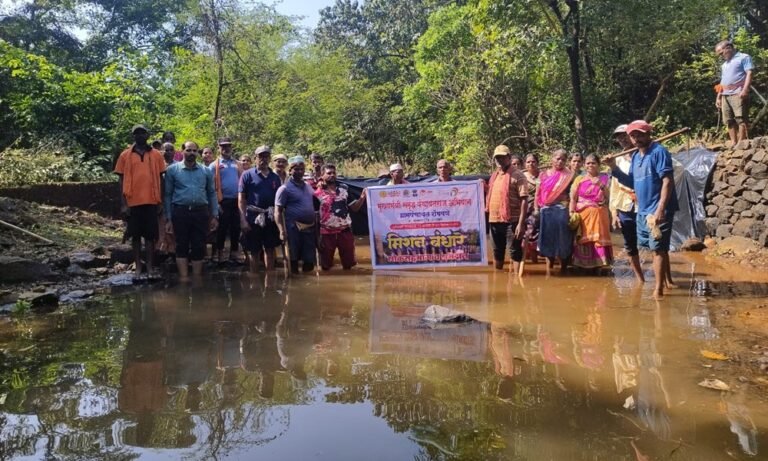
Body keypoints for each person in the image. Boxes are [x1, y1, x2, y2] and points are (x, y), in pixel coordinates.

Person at [608, 120, 678, 298]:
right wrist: (614, 168)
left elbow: (667, 181)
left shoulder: (659, 152)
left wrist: (661, 209)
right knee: (652, 247)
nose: (636, 138)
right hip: (643, 209)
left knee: (657, 249)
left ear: (648, 134)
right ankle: (664, 284)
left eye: (640, 134)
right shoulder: (636, 157)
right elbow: (631, 182)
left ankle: (658, 290)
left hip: (658, 209)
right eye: (633, 135)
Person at [114, 124, 167, 280]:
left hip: (151, 201)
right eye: (136, 133)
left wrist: (161, 201)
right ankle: (138, 267)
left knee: (150, 237)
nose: (140, 136)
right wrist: (124, 204)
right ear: (133, 137)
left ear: (147, 135)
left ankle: (150, 268)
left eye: (142, 133)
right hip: (132, 202)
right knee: (135, 237)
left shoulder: (156, 155)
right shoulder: (125, 155)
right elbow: (121, 180)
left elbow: (161, 178)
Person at [163, 141, 218, 279]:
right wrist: (168, 219)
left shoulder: (205, 171)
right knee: (181, 244)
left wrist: (215, 215)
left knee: (199, 245)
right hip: (180, 212)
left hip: (200, 212)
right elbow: (168, 195)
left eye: (194, 151)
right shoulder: (172, 170)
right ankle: (184, 279)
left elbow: (212, 193)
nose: (191, 153)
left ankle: (197, 279)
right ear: (182, 151)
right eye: (188, 150)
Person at [609, 124, 644, 282]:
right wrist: (614, 212)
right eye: (619, 137)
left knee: (654, 241)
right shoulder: (616, 160)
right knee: (630, 244)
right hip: (625, 205)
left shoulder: (643, 155)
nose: (622, 139)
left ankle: (663, 278)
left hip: (644, 204)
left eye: (624, 135)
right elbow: (614, 188)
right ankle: (640, 278)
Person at [314, 164, 367, 270]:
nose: (332, 175)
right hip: (326, 234)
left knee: (349, 265)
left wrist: (362, 197)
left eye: (334, 173)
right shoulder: (317, 194)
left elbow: (355, 208)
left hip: (345, 232)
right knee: (325, 266)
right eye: (329, 173)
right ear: (322, 175)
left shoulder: (344, 191)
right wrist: (317, 239)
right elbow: (315, 218)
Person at [239, 145, 282, 273]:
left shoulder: (275, 177)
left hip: (270, 217)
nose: (263, 159)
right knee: (254, 250)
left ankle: (270, 280)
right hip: (253, 217)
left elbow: (278, 201)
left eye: (266, 156)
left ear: (269, 158)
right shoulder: (247, 175)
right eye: (260, 156)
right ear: (255, 158)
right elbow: (241, 199)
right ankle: (254, 281)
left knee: (269, 249)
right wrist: (243, 220)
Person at [486, 145, 528, 273]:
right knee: (497, 251)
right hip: (494, 219)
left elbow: (524, 200)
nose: (499, 160)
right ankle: (497, 277)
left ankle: (516, 279)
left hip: (512, 220)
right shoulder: (494, 176)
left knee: (514, 250)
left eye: (502, 157)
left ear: (509, 157)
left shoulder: (518, 175)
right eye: (497, 158)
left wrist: (521, 224)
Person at [534, 148, 575, 274]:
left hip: (562, 210)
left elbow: (574, 194)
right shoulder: (543, 175)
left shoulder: (569, 175)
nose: (560, 161)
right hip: (546, 210)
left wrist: (571, 210)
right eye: (558, 158)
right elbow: (537, 194)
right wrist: (536, 209)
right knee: (547, 238)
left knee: (563, 238)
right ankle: (549, 267)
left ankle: (563, 267)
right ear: (552, 159)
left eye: (563, 159)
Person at [569, 154, 613, 270]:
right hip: (583, 215)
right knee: (584, 239)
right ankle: (583, 264)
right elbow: (573, 198)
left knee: (598, 239)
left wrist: (600, 185)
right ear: (584, 165)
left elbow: (610, 197)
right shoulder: (579, 179)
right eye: (588, 163)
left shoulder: (605, 178)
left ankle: (600, 264)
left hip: (600, 214)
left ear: (599, 164)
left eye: (593, 163)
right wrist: (571, 212)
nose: (590, 165)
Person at [275, 156, 318, 274]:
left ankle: (308, 286)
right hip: (293, 229)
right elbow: (278, 211)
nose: (299, 172)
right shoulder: (284, 189)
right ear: (290, 171)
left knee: (309, 261)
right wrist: (281, 230)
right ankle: (294, 286)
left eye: (301, 169)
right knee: (292, 260)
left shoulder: (308, 186)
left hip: (309, 228)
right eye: (296, 169)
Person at [715, 40, 754, 145]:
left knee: (741, 118)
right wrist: (718, 96)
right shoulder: (724, 65)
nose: (720, 56)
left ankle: (742, 143)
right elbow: (722, 81)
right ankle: (733, 142)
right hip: (725, 95)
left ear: (728, 48)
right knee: (728, 120)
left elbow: (749, 73)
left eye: (721, 53)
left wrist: (745, 90)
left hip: (738, 93)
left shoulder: (744, 57)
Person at [212, 137, 243, 264]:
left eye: (228, 146)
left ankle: (234, 254)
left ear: (231, 147)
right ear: (219, 148)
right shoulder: (215, 165)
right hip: (222, 201)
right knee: (222, 229)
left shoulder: (237, 164)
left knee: (236, 228)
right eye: (223, 146)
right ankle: (220, 254)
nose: (226, 148)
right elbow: (210, 186)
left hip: (237, 201)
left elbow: (243, 181)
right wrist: (215, 204)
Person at [523, 154, 540, 264]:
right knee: (528, 234)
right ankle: (528, 262)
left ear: (537, 163)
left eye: (533, 161)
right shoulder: (522, 176)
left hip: (540, 209)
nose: (531, 164)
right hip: (525, 209)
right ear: (525, 164)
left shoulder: (543, 176)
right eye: (528, 162)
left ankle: (536, 262)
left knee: (537, 235)